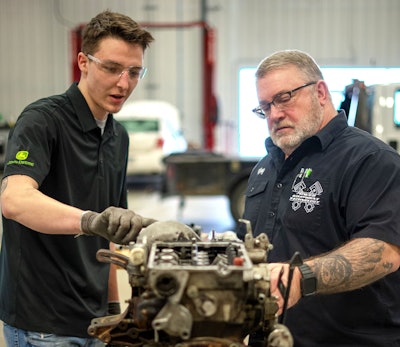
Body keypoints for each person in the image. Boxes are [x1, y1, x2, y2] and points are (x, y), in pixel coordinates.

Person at [0, 10, 155, 347]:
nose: (124, 83)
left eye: (134, 72)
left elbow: (109, 239)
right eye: (112, 68)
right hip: (44, 323)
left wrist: (115, 311)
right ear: (84, 62)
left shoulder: (118, 137)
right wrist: (89, 221)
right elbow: (14, 199)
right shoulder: (42, 120)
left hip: (95, 319)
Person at [237, 50, 400, 346]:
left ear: (320, 92)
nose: (274, 114)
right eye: (265, 107)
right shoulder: (265, 167)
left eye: (284, 98)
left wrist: (303, 277)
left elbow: (384, 251)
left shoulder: (371, 160)